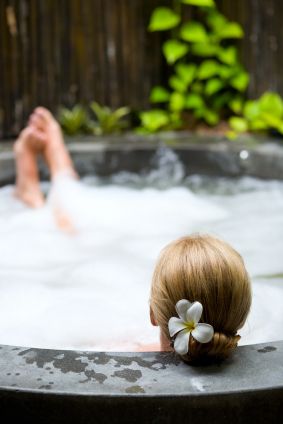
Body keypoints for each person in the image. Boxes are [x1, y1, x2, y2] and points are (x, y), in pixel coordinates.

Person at [12, 108, 252, 359]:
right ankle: (59, 178)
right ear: (242, 316)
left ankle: (46, 186)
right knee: (71, 234)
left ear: (153, 315)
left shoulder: (124, 352)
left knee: (68, 237)